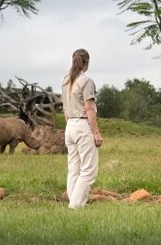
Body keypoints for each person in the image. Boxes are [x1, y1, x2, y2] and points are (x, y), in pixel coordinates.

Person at [61, 48, 103, 210]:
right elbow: (89, 108)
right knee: (88, 171)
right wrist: (96, 133)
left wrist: (70, 125)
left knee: (74, 169)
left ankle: (74, 203)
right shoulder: (86, 81)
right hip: (82, 126)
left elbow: (65, 108)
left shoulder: (65, 81)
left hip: (70, 125)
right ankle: (75, 207)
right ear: (87, 62)